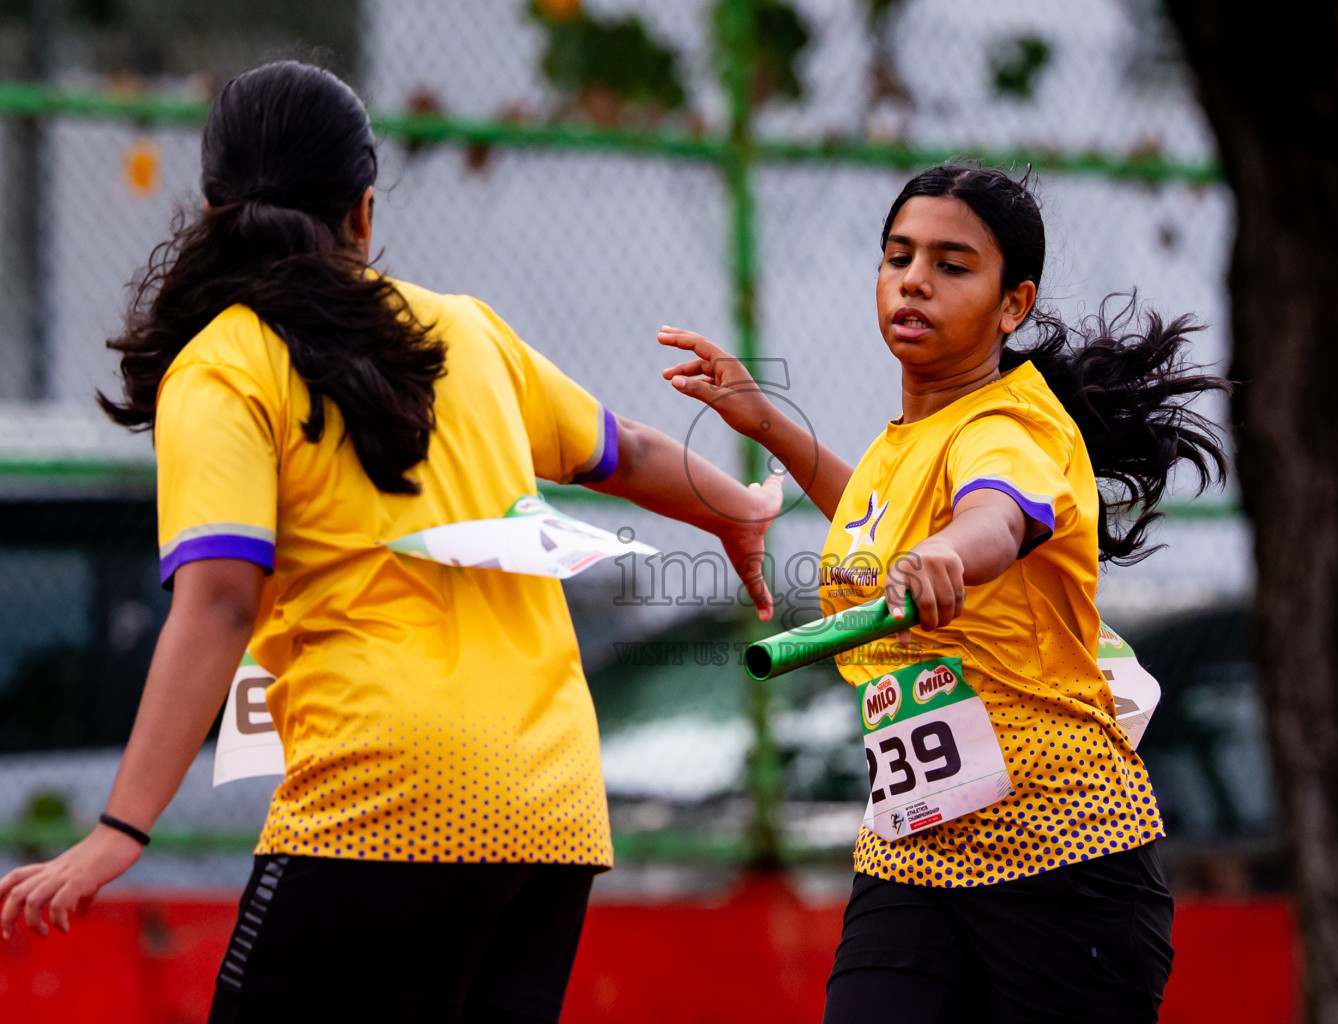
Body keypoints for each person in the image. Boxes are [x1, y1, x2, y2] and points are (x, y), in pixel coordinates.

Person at [0, 61, 781, 1023]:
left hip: (385, 801)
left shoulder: (225, 363)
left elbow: (219, 601)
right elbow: (628, 450)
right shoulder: (468, 332)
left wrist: (121, 827)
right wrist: (737, 512)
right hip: (553, 808)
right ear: (364, 214)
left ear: (210, 208)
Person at [660, 164, 1229, 1022]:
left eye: (952, 264)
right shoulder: (912, 438)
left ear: (1013, 304)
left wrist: (950, 559)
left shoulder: (1012, 427)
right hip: (914, 851)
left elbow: (1001, 514)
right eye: (898, 257)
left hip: (1063, 857)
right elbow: (875, 516)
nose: (915, 280)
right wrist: (766, 418)